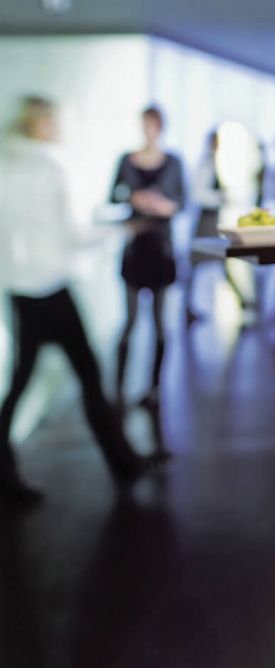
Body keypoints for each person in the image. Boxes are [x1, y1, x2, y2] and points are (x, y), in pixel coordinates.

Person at [0, 96, 152, 507]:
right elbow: (75, 234)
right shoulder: (53, 165)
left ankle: (7, 470)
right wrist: (124, 228)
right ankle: (125, 463)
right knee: (86, 373)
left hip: (20, 287)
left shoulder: (7, 165)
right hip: (51, 284)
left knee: (20, 382)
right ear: (45, 122)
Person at [110, 106, 185, 410]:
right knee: (129, 321)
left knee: (158, 322)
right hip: (135, 247)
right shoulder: (127, 160)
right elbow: (113, 193)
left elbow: (182, 200)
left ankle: (154, 388)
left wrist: (166, 206)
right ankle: (117, 389)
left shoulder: (173, 162)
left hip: (161, 248)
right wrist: (133, 197)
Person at [185, 130, 247, 324]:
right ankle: (242, 301)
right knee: (200, 263)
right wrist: (220, 197)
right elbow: (199, 194)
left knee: (219, 262)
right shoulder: (206, 164)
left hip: (212, 220)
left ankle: (242, 300)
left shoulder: (213, 162)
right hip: (205, 221)